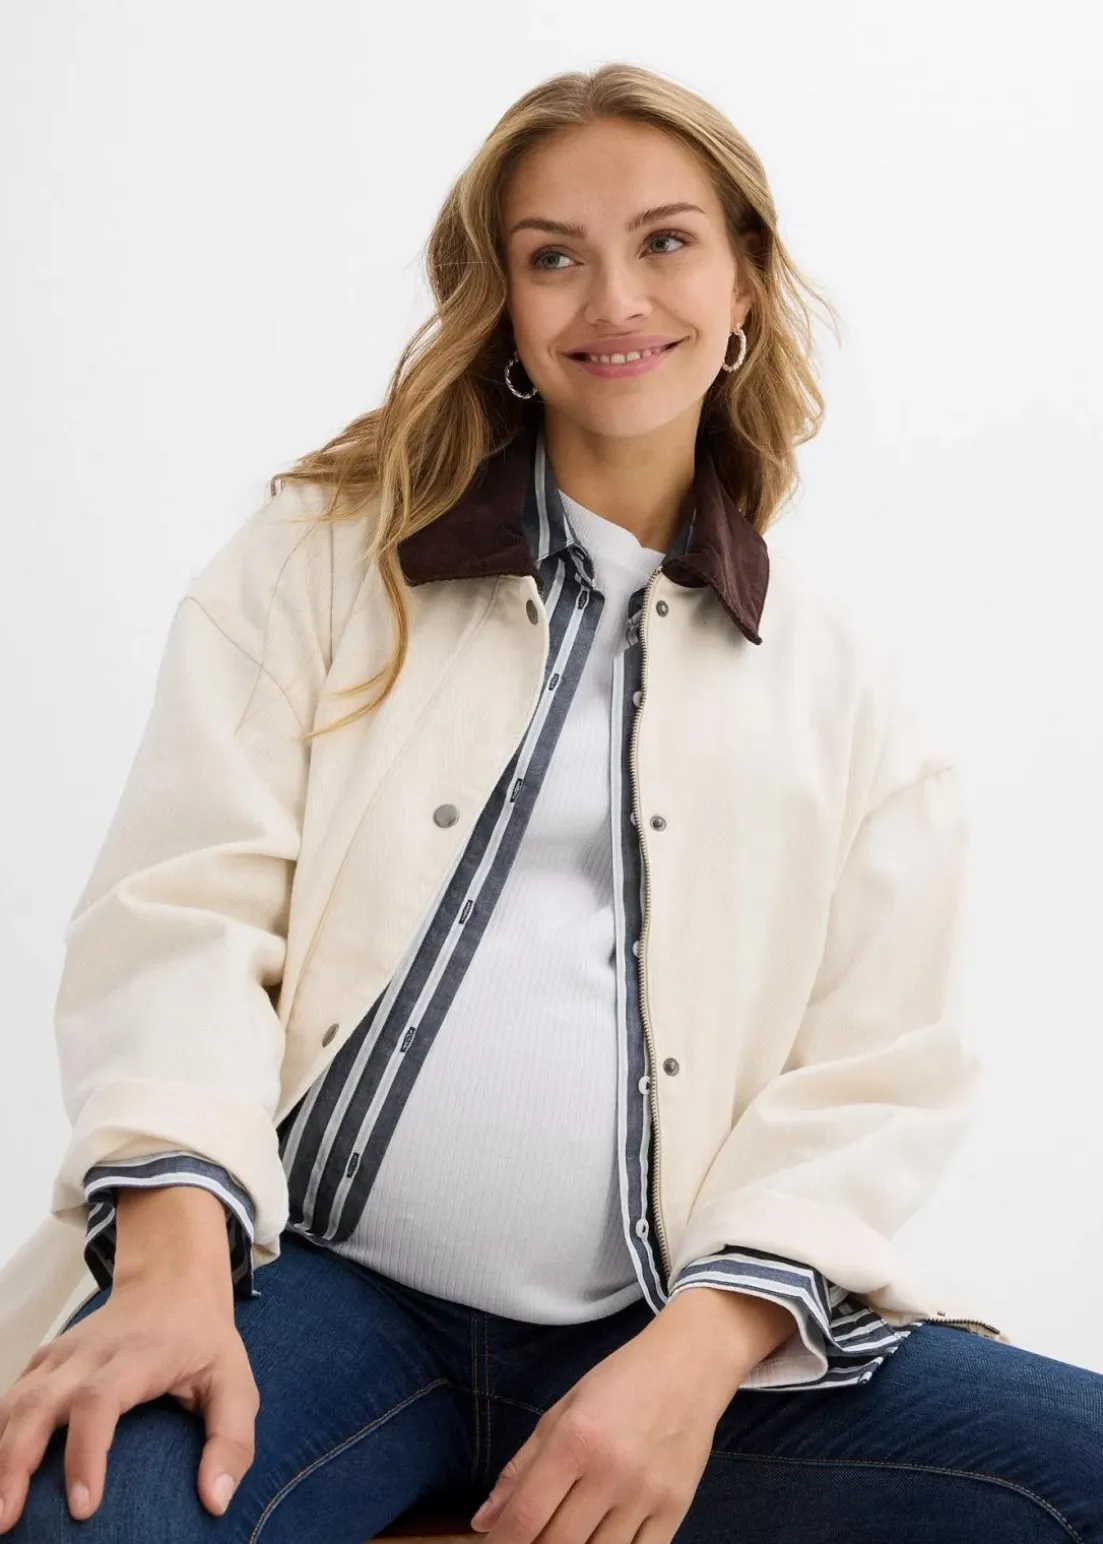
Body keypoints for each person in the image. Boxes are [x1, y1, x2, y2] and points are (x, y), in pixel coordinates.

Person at [0, 59, 1099, 1544]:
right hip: (310, 1289)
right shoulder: (326, 560)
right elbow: (180, 909)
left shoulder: (842, 687)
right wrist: (174, 1269)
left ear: (744, 281)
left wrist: (694, 1360)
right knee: (93, 1513)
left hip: (657, 1332)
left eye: (665, 242)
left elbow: (877, 1072)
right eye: (553, 257)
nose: (614, 300)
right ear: (504, 305)